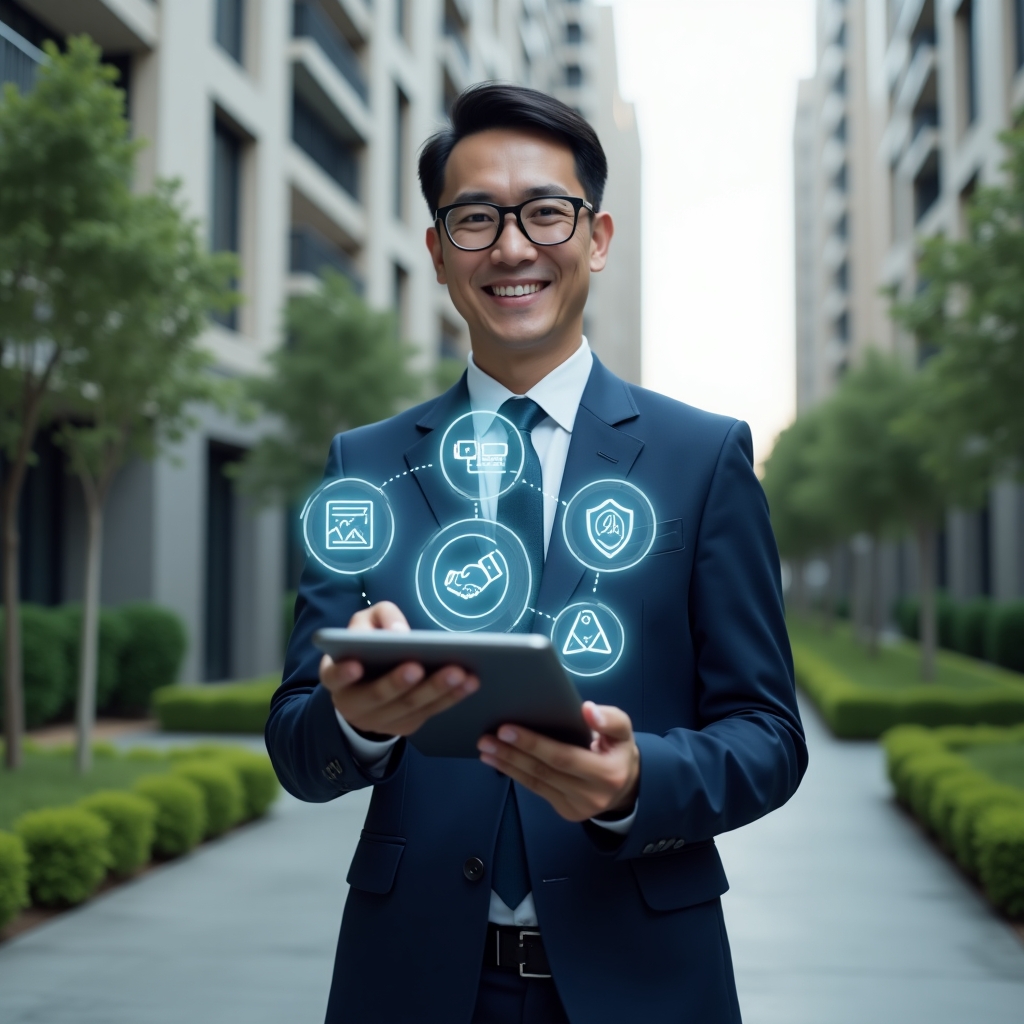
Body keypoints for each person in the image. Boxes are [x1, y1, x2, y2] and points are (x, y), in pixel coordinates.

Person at [266, 83, 807, 1024]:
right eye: (476, 218)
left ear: (596, 237)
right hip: (412, 982)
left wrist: (637, 781)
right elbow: (295, 742)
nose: (512, 248)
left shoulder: (702, 458)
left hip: (644, 979)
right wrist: (355, 723)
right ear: (438, 252)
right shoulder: (366, 465)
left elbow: (768, 735)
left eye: (545, 213)